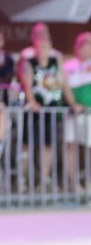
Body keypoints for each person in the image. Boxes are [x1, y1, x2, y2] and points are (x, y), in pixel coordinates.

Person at [21, 36, 79, 190]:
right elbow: (27, 84)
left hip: (52, 109)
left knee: (48, 145)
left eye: (46, 47)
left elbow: (64, 83)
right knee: (28, 144)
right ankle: (24, 180)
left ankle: (44, 179)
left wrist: (72, 103)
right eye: (40, 48)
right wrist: (31, 101)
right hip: (35, 110)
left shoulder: (56, 62)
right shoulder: (30, 63)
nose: (43, 51)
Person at [63, 33, 91, 192]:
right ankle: (73, 183)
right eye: (82, 43)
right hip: (72, 114)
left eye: (87, 43)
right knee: (71, 146)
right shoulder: (69, 64)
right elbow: (64, 85)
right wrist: (73, 103)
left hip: (89, 113)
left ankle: (89, 182)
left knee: (89, 148)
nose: (85, 46)